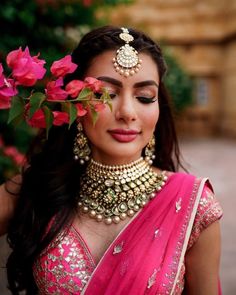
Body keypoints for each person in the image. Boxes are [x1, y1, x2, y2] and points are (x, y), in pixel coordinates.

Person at [0, 25, 222, 294]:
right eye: (104, 94)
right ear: (74, 103)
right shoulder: (39, 186)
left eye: (144, 97)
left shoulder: (194, 206)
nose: (127, 112)